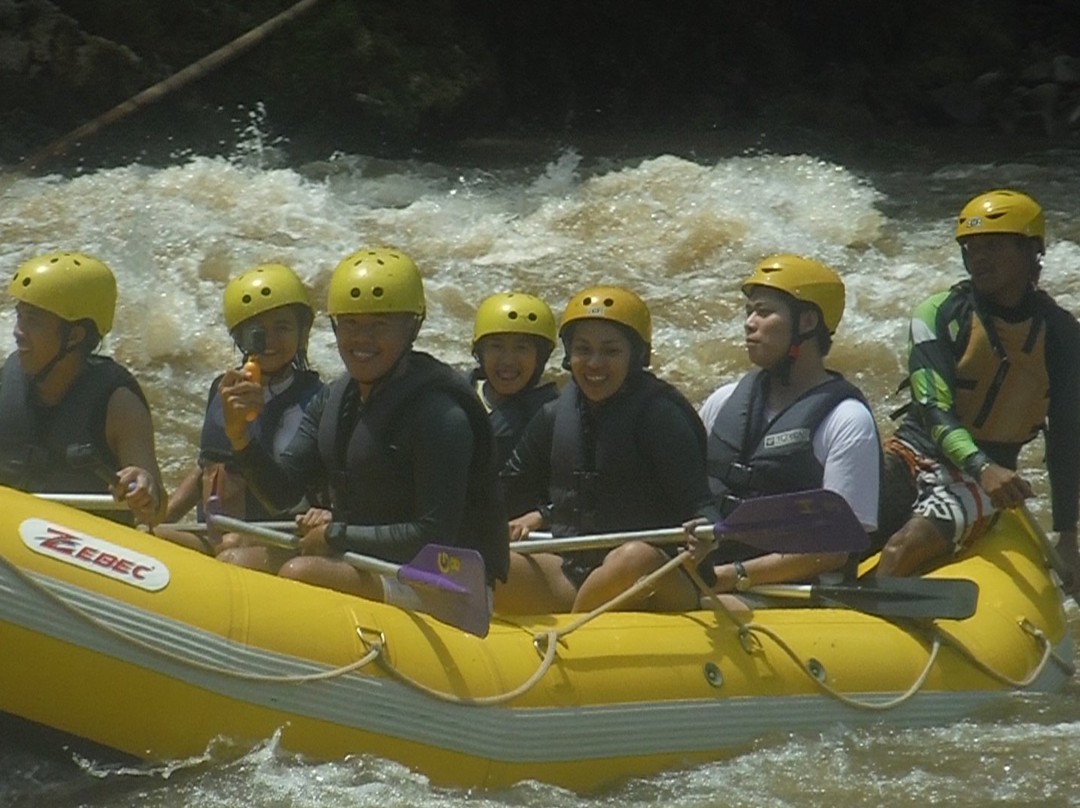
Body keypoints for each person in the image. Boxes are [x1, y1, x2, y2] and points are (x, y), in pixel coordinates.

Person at [216, 247, 509, 601]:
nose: (361, 339)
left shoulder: (441, 415)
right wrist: (240, 436)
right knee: (234, 560)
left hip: (446, 582)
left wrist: (335, 535)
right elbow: (282, 494)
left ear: (411, 328)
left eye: (379, 325)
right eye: (351, 324)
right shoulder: (334, 400)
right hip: (368, 558)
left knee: (300, 573)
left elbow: (432, 536)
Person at [874, 190, 1080, 587]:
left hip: (986, 480)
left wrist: (1068, 536)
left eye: (993, 247)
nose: (978, 258)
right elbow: (934, 411)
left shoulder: (1061, 335)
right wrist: (981, 467)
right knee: (837, 520)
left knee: (902, 549)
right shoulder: (939, 314)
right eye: (971, 248)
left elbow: (1066, 437)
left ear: (1031, 251)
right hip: (915, 453)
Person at [496, 285, 720, 614]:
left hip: (657, 579)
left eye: (610, 351)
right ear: (569, 355)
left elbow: (702, 505)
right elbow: (504, 491)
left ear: (636, 356)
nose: (594, 363)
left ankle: (571, 638)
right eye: (583, 350)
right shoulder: (554, 416)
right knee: (487, 559)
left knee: (633, 557)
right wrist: (540, 516)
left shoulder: (661, 416)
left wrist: (704, 531)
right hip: (578, 572)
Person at [689, 254, 880, 607]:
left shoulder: (847, 420)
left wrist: (733, 576)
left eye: (763, 312)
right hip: (715, 574)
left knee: (700, 609)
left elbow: (835, 549)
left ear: (807, 322)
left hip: (792, 593)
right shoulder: (723, 402)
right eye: (748, 311)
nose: (749, 323)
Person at [156, 263, 324, 561]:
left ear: (303, 333)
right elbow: (207, 465)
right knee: (152, 535)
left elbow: (296, 493)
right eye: (257, 331)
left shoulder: (316, 401)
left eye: (282, 328)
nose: (269, 341)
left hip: (277, 539)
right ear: (239, 337)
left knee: (233, 557)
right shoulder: (224, 388)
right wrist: (163, 516)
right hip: (217, 536)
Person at [0, 251, 166, 526]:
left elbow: (157, 513)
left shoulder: (119, 404)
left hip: (86, 540)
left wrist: (144, 488)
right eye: (20, 317)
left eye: (33, 321)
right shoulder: (8, 380)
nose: (18, 331)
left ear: (74, 336)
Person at [469, 292, 559, 516]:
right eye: (496, 346)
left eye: (521, 348)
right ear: (480, 353)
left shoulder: (556, 416)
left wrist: (543, 515)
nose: (508, 360)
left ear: (540, 358)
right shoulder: (451, 398)